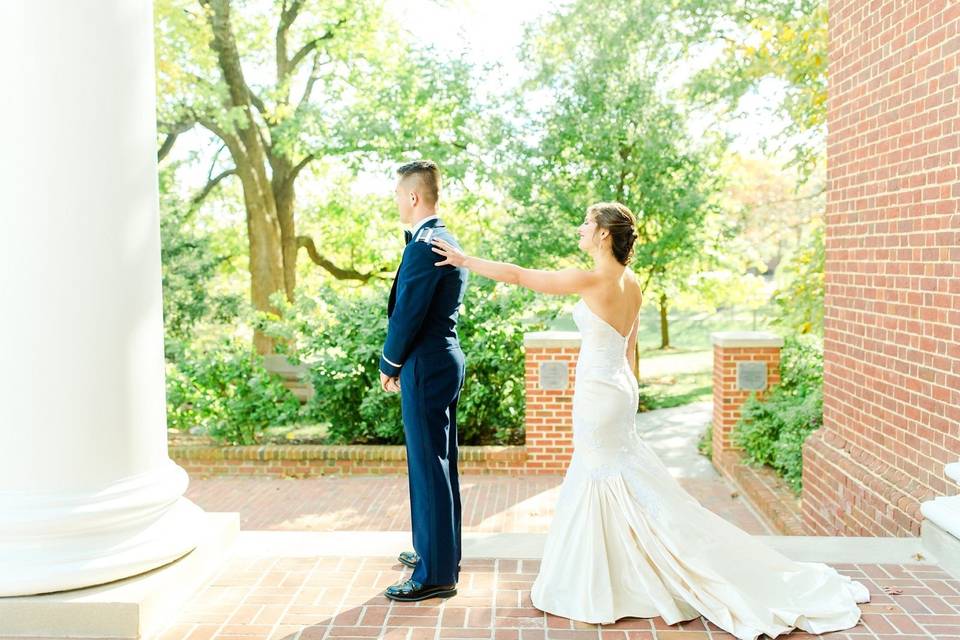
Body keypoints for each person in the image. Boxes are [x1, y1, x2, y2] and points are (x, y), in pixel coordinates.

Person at [430, 201, 870, 639]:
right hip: (619, 388)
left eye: (587, 223)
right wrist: (628, 393)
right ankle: (627, 569)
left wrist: (465, 260)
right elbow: (631, 346)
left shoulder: (592, 278)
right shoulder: (632, 282)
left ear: (604, 234)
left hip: (600, 394)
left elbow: (523, 276)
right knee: (618, 476)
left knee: (600, 478)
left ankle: (605, 583)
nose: (580, 229)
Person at [379, 160, 468, 602]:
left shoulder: (424, 245)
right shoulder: (444, 238)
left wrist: (389, 363)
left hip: (425, 364)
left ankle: (435, 575)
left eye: (398, 193)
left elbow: (407, 314)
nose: (395, 200)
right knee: (439, 463)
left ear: (414, 196)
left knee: (428, 467)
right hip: (443, 361)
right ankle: (437, 553)